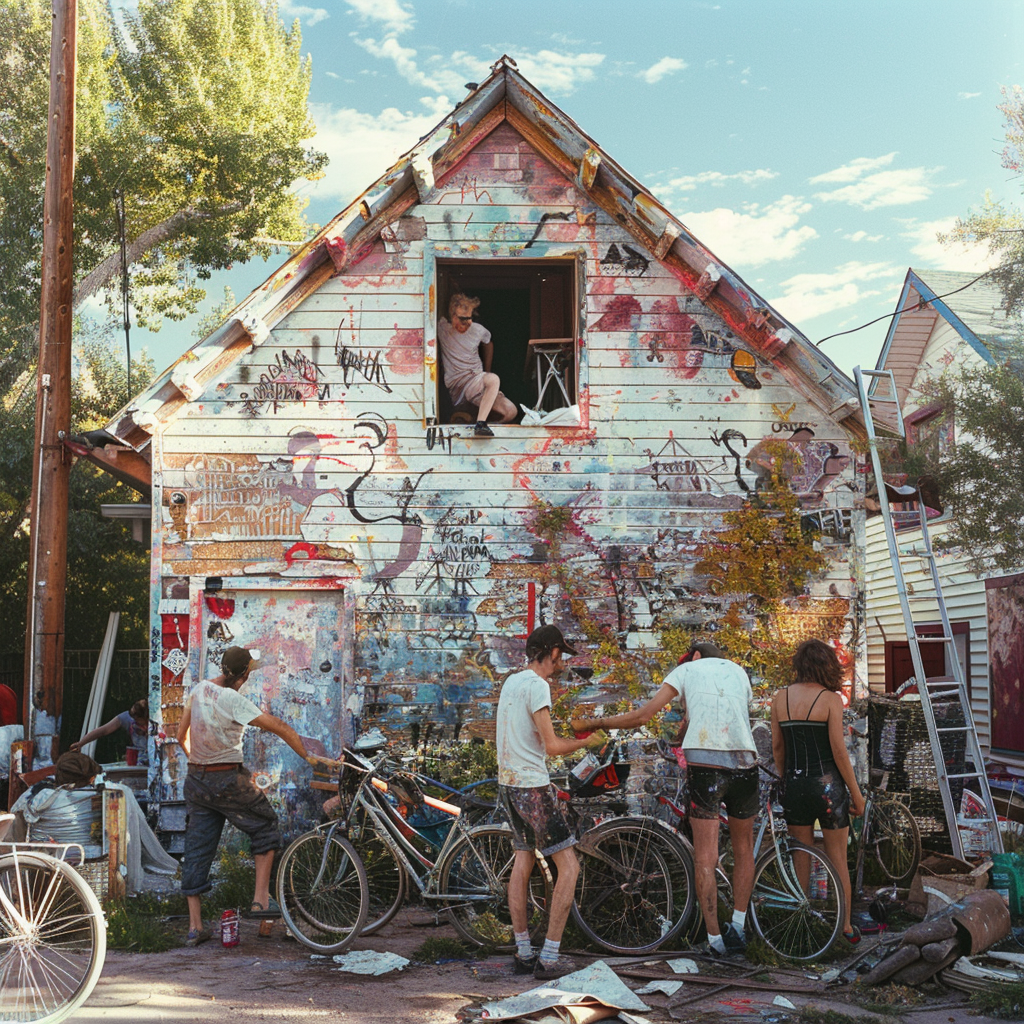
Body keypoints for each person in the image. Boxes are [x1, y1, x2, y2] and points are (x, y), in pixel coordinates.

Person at [572, 642, 757, 956]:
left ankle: (714, 941)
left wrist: (596, 723)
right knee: (743, 849)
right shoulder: (738, 673)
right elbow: (726, 717)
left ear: (695, 656)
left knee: (704, 858)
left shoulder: (687, 668)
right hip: (746, 766)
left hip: (708, 768)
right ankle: (738, 928)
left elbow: (643, 716)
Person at [177, 646, 331, 947]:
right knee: (265, 825)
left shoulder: (199, 690)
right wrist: (310, 758)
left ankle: (195, 927)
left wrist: (199, 763)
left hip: (196, 780)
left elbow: (181, 734)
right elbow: (279, 727)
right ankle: (261, 901)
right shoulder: (233, 699)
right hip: (226, 779)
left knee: (196, 845)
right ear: (245, 674)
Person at [497, 624, 607, 979]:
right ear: (550, 652)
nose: (562, 663)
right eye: (561, 655)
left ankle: (524, 952)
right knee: (569, 867)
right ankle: (550, 958)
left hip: (508, 784)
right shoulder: (537, 685)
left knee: (523, 864)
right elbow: (554, 746)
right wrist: (588, 743)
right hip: (531, 787)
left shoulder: (512, 681)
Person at [770, 638, 864, 943]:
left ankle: (802, 923)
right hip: (827, 789)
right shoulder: (830, 700)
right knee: (838, 858)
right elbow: (838, 751)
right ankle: (846, 927)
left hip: (794, 786)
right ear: (827, 666)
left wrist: (786, 779)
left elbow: (777, 747)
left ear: (800, 665)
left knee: (801, 858)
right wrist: (857, 795)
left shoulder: (779, 698)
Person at [437, 293, 517, 437]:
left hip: (476, 381)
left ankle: (480, 424)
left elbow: (488, 342)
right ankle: (479, 424)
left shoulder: (478, 330)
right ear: (452, 314)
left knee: (511, 411)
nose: (467, 323)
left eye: (469, 318)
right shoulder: (442, 328)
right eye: (462, 319)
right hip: (458, 385)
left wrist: (486, 371)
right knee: (493, 379)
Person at [71, 698, 150, 765]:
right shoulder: (127, 719)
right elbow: (103, 730)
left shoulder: (157, 724)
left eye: (138, 720)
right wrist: (81, 743)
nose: (135, 721)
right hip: (139, 764)